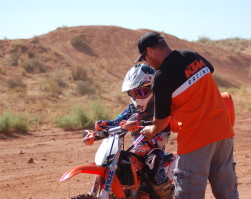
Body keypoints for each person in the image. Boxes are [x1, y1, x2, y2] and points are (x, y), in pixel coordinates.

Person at [136, 32, 239, 199]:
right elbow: (209, 70)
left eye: (144, 58)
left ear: (150, 51)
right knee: (227, 192)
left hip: (196, 139)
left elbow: (161, 122)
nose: (146, 62)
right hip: (223, 132)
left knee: (188, 194)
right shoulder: (190, 55)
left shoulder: (161, 77)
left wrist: (150, 130)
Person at [84, 63, 172, 199]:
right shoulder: (132, 109)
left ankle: (166, 194)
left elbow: (168, 120)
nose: (138, 97)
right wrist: (101, 128)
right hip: (136, 149)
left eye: (142, 92)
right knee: (119, 161)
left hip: (154, 147)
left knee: (152, 163)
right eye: (134, 93)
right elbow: (117, 122)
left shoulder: (160, 107)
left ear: (153, 88)